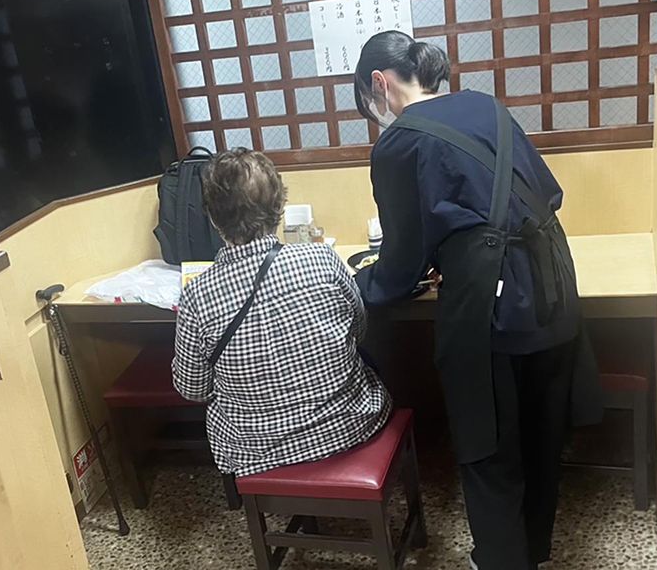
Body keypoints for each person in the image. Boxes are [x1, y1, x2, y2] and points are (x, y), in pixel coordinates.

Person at [353, 31, 603, 570]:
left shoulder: (398, 144)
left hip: (490, 307)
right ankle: (532, 554)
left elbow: (401, 262)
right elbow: (548, 193)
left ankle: (498, 560)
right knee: (542, 439)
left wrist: (363, 285)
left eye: (369, 101)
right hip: (554, 285)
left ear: (379, 83)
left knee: (488, 445)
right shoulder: (487, 106)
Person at [172, 148, 391, 478]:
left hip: (256, 453)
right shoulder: (321, 260)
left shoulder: (197, 296)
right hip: (350, 426)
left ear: (213, 218)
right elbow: (359, 329)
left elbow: (193, 389)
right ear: (279, 206)